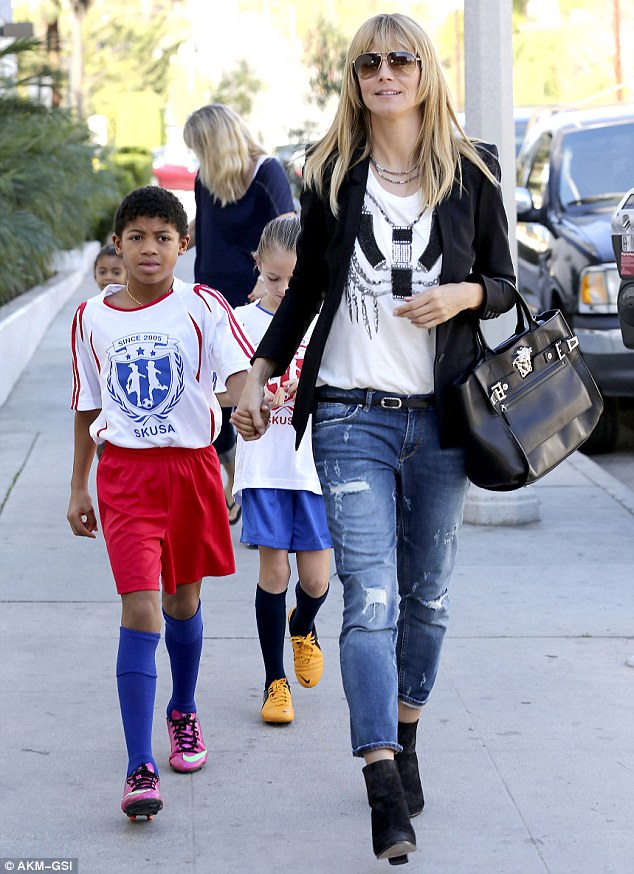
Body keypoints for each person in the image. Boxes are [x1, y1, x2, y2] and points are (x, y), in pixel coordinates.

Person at [232, 12, 516, 865]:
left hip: (442, 418)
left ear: (425, 72)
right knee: (373, 598)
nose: (384, 73)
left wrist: (461, 297)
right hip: (353, 413)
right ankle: (381, 778)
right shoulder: (331, 176)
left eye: (400, 60)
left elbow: (505, 283)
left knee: (427, 599)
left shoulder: (475, 171)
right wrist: (258, 369)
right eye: (368, 64)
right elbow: (308, 289)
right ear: (355, 79)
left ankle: (408, 727)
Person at [67, 186, 253, 821]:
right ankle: (137, 765)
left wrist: (250, 400)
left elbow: (236, 374)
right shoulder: (92, 318)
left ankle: (183, 710)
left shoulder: (202, 306)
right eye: (138, 237)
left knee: (182, 602)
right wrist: (77, 485)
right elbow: (87, 403)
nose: (150, 249)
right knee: (141, 611)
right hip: (124, 478)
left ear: (184, 244)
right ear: (118, 243)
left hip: (191, 471)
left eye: (164, 238)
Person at [232, 216, 331, 725]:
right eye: (274, 279)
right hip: (265, 467)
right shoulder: (241, 323)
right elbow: (227, 389)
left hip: (313, 467)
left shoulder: (326, 321)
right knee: (274, 570)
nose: (285, 290)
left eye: (295, 280)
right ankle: (275, 682)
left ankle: (303, 625)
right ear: (257, 266)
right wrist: (250, 401)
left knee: (315, 581)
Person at [183, 103, 295, 527]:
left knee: (246, 390)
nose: (197, 157)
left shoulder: (266, 172)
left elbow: (289, 230)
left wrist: (268, 285)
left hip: (252, 301)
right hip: (208, 298)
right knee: (209, 391)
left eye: (200, 147)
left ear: (217, 142)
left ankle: (246, 485)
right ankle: (229, 481)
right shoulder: (206, 177)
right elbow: (203, 228)